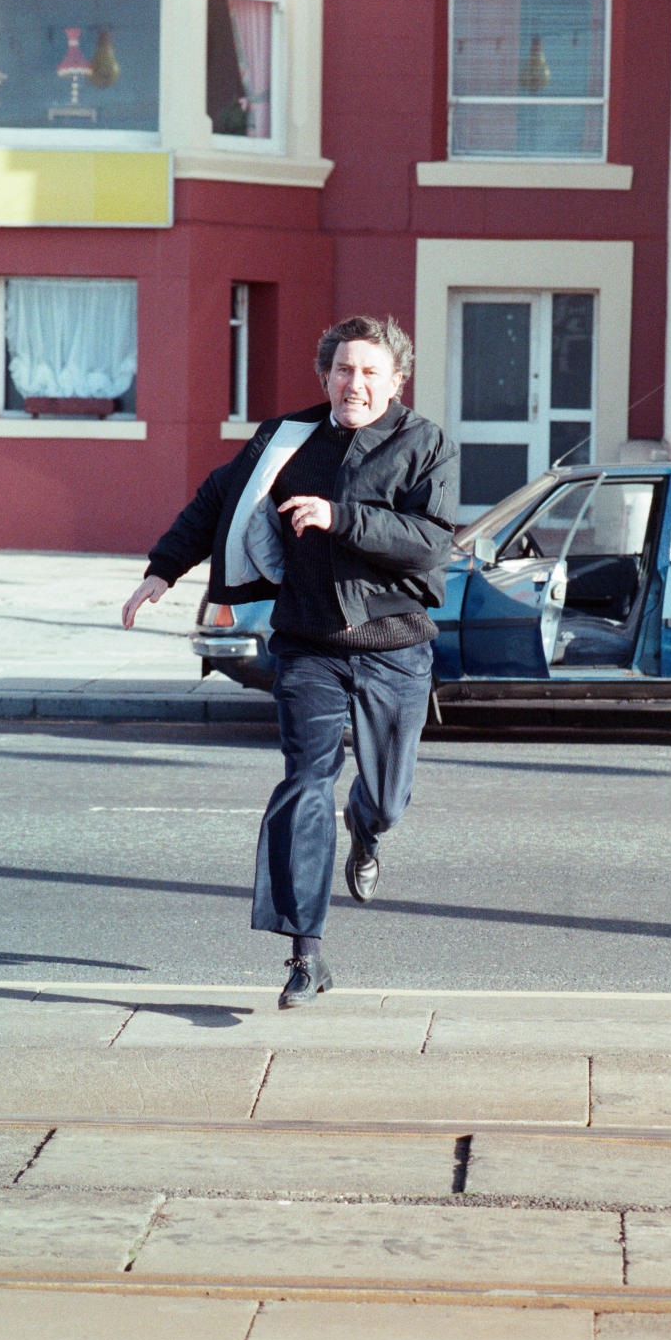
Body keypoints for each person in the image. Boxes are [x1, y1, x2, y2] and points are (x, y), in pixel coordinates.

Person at [122, 315, 458, 1008]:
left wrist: (341, 518)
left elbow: (430, 543)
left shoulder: (424, 443)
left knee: (389, 800)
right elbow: (217, 499)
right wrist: (163, 570)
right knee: (304, 786)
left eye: (369, 372)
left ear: (395, 381)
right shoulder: (287, 439)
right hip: (307, 644)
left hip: (394, 647)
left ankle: (367, 830)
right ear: (325, 376)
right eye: (342, 370)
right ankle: (306, 956)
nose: (353, 383)